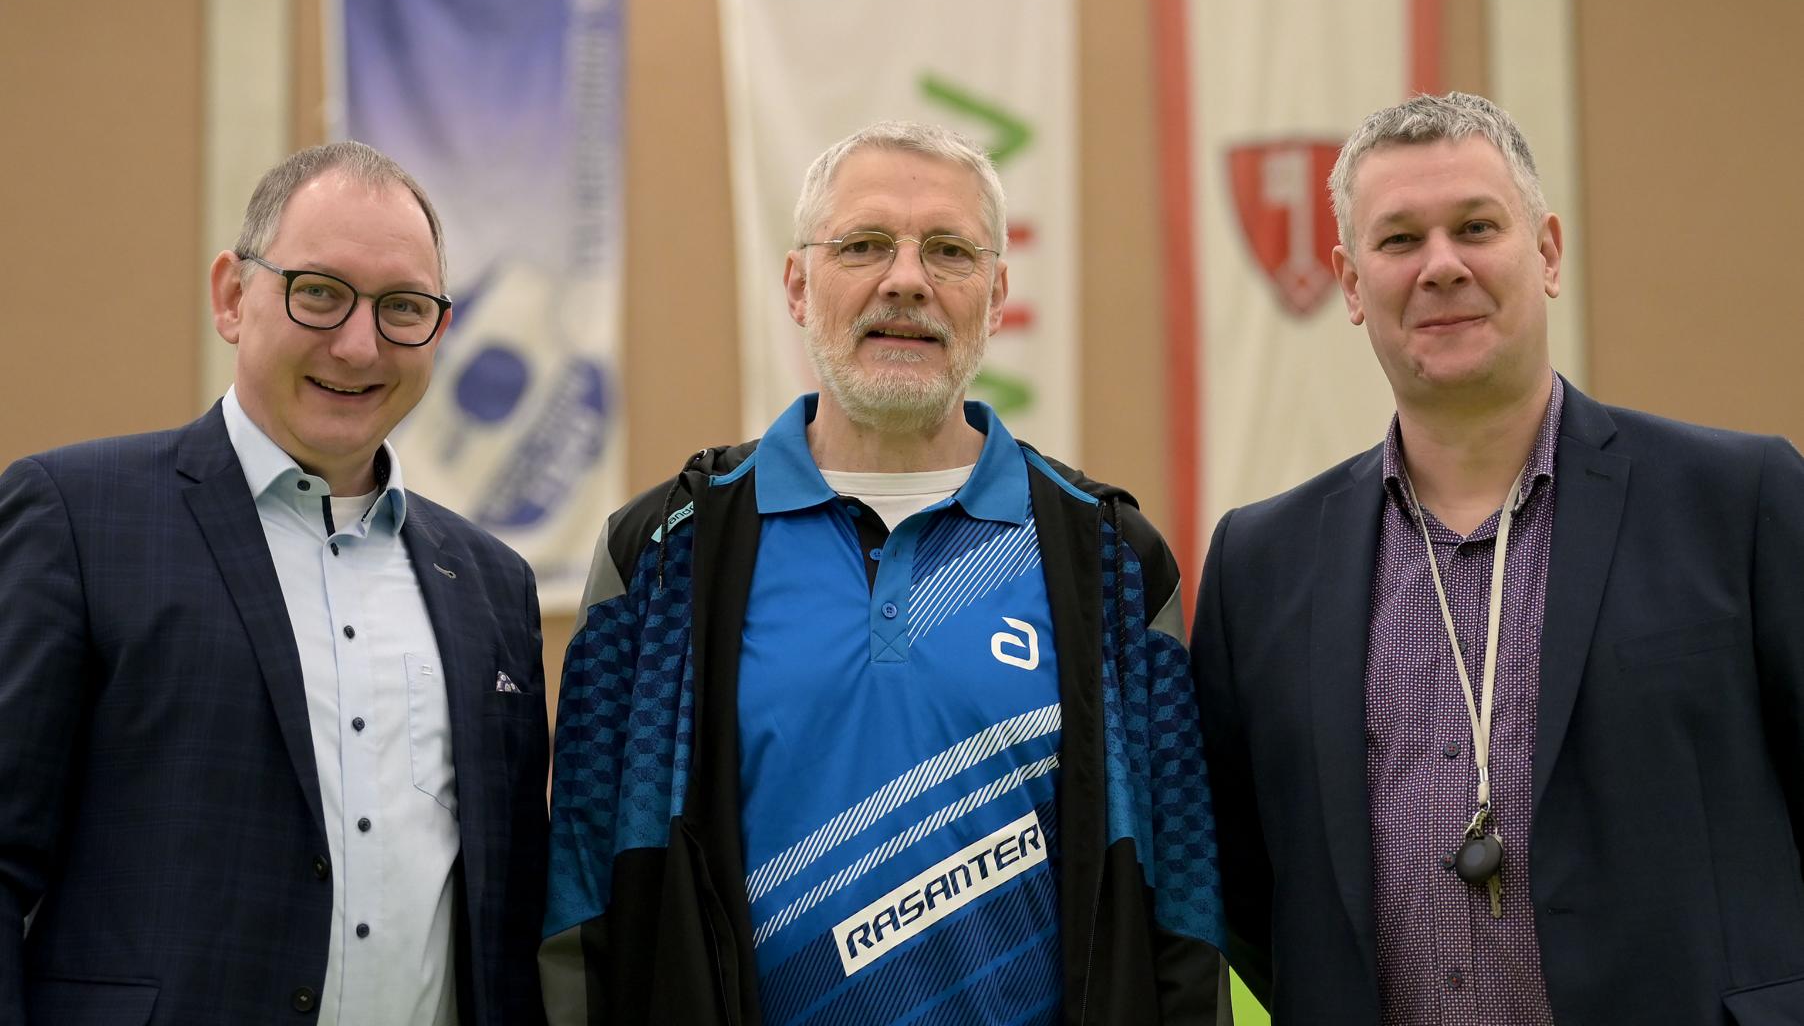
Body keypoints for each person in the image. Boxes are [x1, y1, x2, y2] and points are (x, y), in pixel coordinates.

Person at [541, 121, 1224, 1024]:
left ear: (996, 295)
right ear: (798, 284)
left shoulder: (1112, 561)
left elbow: (1181, 909)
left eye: (949, 251)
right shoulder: (664, 558)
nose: (906, 280)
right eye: (863, 245)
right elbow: (584, 901)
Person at [1191, 91, 1804, 1023]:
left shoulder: (1739, 502)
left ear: (1547, 252)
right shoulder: (1260, 567)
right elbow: (1248, 882)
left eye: (1476, 227)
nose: (1441, 266)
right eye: (1400, 240)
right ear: (1350, 284)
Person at [0, 141, 549, 1025]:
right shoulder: (77, 520)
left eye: (403, 307)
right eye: (320, 293)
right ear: (232, 295)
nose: (359, 344)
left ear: (440, 331)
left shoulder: (493, 586)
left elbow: (508, 908)